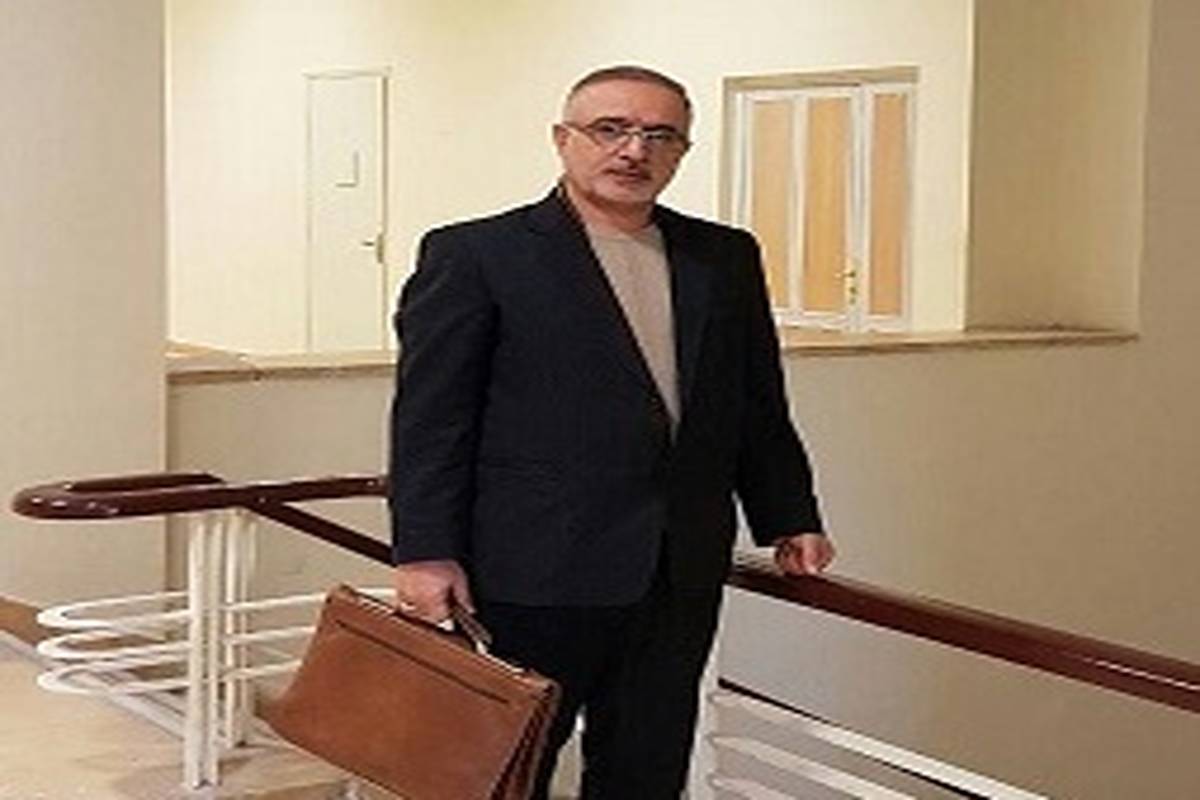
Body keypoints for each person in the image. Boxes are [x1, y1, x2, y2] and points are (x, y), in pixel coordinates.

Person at [389, 65, 834, 799]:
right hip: (530, 569)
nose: (634, 151)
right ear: (562, 139)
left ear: (682, 150)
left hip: (676, 569)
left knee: (646, 771)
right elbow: (432, 419)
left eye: (660, 135)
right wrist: (426, 551)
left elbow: (755, 400)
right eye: (611, 130)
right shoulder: (477, 254)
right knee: (499, 772)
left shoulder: (723, 256)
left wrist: (790, 512)